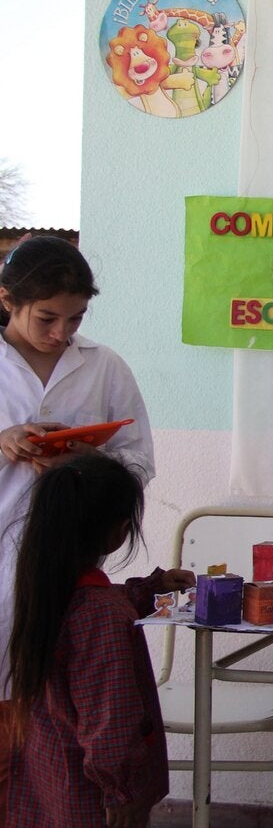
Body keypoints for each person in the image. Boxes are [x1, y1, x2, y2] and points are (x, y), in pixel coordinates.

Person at [0, 235, 156, 820]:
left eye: (75, 318)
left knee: (56, 734)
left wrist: (82, 462)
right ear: (7, 300)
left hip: (67, 571)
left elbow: (139, 461)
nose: (61, 333)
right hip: (4, 566)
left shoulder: (105, 366)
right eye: (46, 318)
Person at [6, 453, 192, 827]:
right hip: (94, 796)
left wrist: (148, 590)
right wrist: (119, 789)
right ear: (120, 532)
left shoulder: (45, 590)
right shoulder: (101, 615)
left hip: (50, 773)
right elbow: (111, 715)